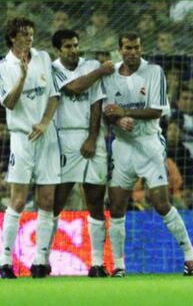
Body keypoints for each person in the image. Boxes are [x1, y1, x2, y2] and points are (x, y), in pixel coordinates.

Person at [102, 32, 193, 277]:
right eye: (127, 47)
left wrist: (126, 112)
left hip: (148, 145)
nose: (132, 52)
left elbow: (157, 111)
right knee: (116, 206)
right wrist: (117, 117)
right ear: (120, 49)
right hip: (122, 147)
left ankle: (190, 256)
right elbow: (106, 111)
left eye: (136, 47)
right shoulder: (110, 75)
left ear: (141, 48)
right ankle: (119, 265)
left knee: (161, 202)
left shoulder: (154, 72)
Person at [50, 29, 115, 277]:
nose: (73, 50)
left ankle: (97, 264)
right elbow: (76, 88)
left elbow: (96, 103)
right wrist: (99, 71)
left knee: (96, 200)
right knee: (58, 199)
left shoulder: (89, 65)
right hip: (64, 136)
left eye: (75, 45)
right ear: (58, 50)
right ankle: (42, 260)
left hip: (91, 136)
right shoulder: (53, 69)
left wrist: (92, 137)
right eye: (67, 47)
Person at [0, 17, 60, 278]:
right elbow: (9, 104)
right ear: (12, 37)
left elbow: (55, 95)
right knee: (18, 200)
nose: (29, 38)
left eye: (31, 34)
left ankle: (39, 262)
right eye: (24, 34)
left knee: (47, 200)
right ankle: (4, 262)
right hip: (22, 138)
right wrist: (22, 76)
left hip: (46, 136)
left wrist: (46, 122)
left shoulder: (44, 57)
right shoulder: (4, 66)